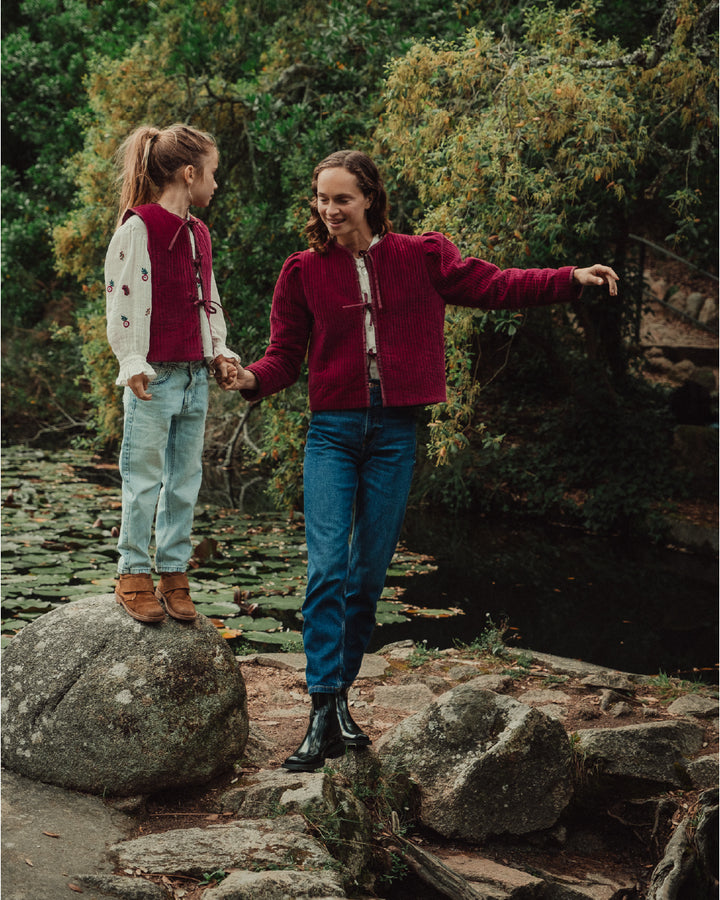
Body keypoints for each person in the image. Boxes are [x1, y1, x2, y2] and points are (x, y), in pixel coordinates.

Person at [226, 149, 619, 771]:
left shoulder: (421, 255)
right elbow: (283, 355)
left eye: (342, 199)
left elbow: (495, 286)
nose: (329, 210)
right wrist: (248, 378)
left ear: (369, 199)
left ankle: (338, 704)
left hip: (394, 433)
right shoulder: (302, 270)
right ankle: (321, 709)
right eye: (322, 199)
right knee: (326, 570)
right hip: (331, 432)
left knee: (367, 579)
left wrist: (570, 278)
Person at [105, 123, 239, 625]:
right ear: (189, 172)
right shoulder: (139, 227)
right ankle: (133, 572)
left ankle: (174, 572)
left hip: (193, 377)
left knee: (184, 480)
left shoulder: (199, 232)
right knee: (142, 480)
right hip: (153, 378)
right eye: (212, 174)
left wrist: (219, 351)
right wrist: (132, 361)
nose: (215, 184)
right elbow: (122, 302)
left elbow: (209, 300)